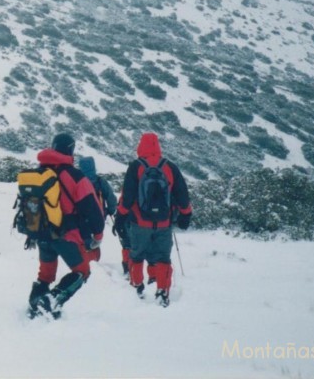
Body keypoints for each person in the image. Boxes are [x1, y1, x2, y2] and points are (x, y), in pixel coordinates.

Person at [26, 133, 105, 319]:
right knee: (81, 272)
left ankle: (35, 303)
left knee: (45, 274)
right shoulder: (75, 176)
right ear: (71, 149)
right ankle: (51, 302)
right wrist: (98, 235)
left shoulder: (39, 173)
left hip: (41, 232)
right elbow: (93, 209)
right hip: (66, 235)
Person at [113, 132, 192, 308]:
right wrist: (185, 214)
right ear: (158, 147)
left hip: (139, 223)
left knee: (136, 255)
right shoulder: (170, 167)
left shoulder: (136, 166)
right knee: (163, 258)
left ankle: (137, 287)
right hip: (164, 223)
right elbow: (182, 194)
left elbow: (127, 196)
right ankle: (162, 291)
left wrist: (120, 217)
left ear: (140, 146)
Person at [77, 156, 119, 268]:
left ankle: (85, 261)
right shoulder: (100, 182)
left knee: (83, 239)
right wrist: (111, 210)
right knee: (95, 239)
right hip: (99, 216)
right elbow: (111, 198)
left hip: (80, 218)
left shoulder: (77, 181)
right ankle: (94, 261)